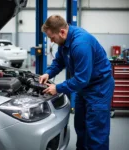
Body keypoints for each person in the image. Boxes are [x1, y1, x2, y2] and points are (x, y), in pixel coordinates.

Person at [39, 15, 114, 150]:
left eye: (52, 37)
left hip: (99, 88)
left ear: (62, 31)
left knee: (96, 131)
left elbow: (81, 79)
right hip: (84, 88)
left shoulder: (80, 44)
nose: (52, 41)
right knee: (81, 126)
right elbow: (59, 61)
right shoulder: (64, 41)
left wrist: (58, 88)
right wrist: (48, 73)